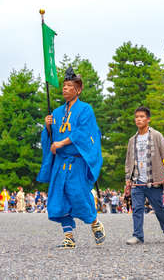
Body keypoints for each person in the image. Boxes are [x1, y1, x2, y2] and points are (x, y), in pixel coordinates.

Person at [37, 67, 105, 249]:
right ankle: (68, 236)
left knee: (79, 195)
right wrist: (48, 128)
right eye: (64, 86)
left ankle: (94, 223)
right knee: (59, 198)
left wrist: (62, 143)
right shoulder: (57, 112)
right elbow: (50, 139)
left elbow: (84, 133)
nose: (65, 88)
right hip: (60, 163)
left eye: (69, 86)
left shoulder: (85, 109)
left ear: (78, 89)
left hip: (77, 161)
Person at [125, 106, 164, 245]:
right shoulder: (132, 140)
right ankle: (138, 235)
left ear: (148, 119)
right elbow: (128, 162)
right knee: (137, 209)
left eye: (142, 117)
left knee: (159, 208)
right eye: (137, 117)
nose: (139, 119)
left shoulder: (156, 135)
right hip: (137, 181)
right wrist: (128, 180)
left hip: (154, 181)